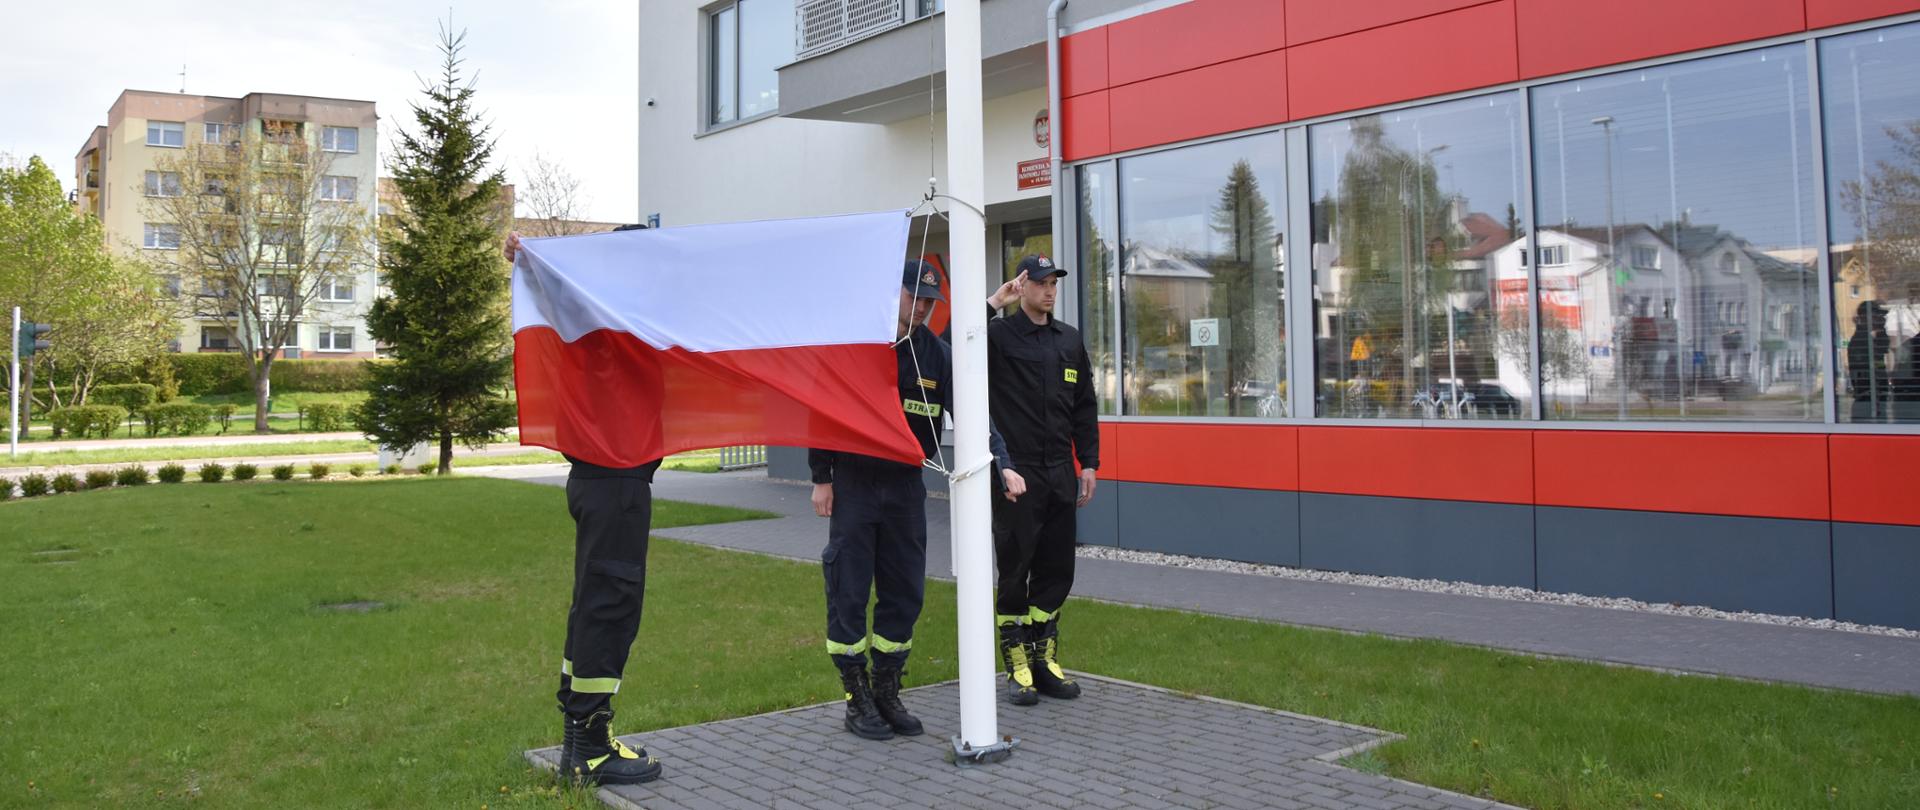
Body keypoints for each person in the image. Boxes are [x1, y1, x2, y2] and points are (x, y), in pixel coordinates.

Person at [809, 260, 1027, 740]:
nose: (924, 308)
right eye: (917, 297)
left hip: (907, 487)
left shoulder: (935, 354)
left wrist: (1003, 461)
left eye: (931, 301)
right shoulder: (862, 345)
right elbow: (824, 408)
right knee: (847, 591)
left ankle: (887, 691)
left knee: (905, 592)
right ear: (897, 295)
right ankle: (855, 698)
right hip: (856, 484)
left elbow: (972, 413)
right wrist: (821, 477)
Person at [506, 225, 664, 785]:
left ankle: (580, 739)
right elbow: (565, 297)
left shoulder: (618, 318)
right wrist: (531, 262)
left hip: (604, 480)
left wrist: (533, 262)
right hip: (613, 481)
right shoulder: (607, 319)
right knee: (610, 607)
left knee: (595, 602)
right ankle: (592, 746)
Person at [984, 254, 1099, 706]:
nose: (1050, 291)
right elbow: (955, 344)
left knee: (1056, 568)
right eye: (1042, 283)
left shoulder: (1067, 340)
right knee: (1015, 566)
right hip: (1018, 471)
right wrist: (995, 302)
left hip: (1059, 472)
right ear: (1022, 285)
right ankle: (1015, 664)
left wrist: (1087, 462)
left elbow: (1084, 405)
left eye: (1054, 283)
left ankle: (1043, 659)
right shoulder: (999, 335)